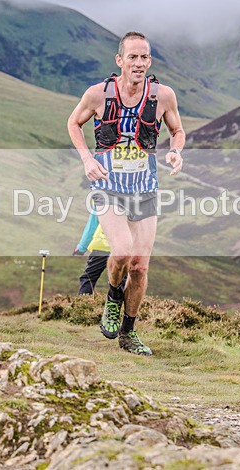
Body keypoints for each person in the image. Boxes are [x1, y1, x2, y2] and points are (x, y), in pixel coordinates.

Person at [67, 31, 184, 355]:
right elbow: (73, 123)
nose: (139, 63)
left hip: (145, 189)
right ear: (119, 61)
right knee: (120, 252)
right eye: (132, 57)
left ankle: (128, 333)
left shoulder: (162, 96)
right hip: (108, 188)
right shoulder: (97, 95)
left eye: (144, 57)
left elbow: (177, 130)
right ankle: (113, 297)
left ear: (150, 61)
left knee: (140, 266)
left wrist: (176, 151)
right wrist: (87, 158)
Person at [73, 213, 126, 295]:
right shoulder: (134, 201)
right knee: (123, 279)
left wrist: (81, 247)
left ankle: (84, 303)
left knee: (89, 278)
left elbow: (92, 225)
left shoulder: (101, 200)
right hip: (123, 247)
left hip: (101, 245)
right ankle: (122, 305)